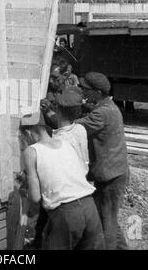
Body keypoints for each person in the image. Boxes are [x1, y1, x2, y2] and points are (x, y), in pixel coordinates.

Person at [21, 91, 105, 250]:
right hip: (89, 205)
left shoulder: (31, 152)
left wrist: (27, 185)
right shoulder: (66, 141)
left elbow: (35, 197)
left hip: (67, 214)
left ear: (28, 132)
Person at [76, 72, 129, 250]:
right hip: (113, 174)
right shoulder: (109, 107)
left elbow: (74, 127)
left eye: (85, 88)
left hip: (111, 178)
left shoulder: (102, 113)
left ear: (97, 92)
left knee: (108, 221)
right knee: (107, 218)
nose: (81, 90)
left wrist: (53, 114)